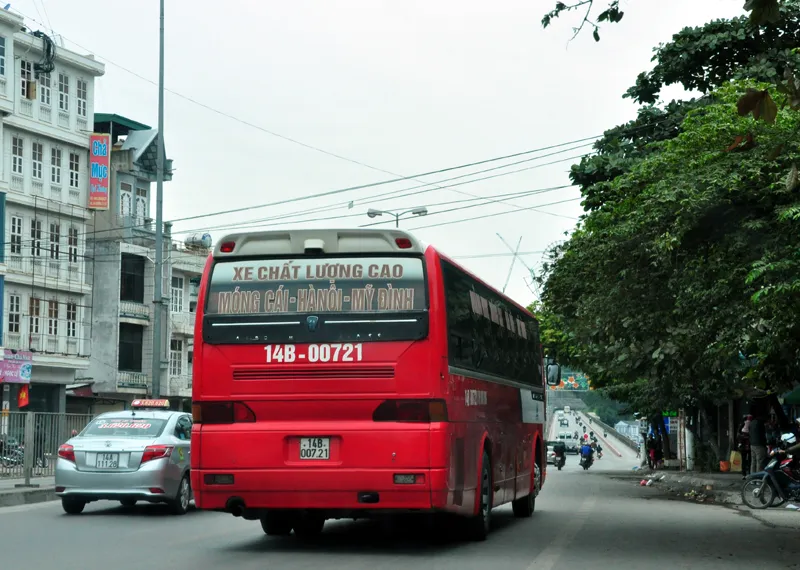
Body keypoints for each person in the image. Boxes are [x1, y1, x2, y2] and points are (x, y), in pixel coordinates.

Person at [738, 415, 751, 479]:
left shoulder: (741, 425)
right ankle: (749, 473)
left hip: (743, 446)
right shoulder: (751, 424)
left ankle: (744, 474)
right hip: (749, 445)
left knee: (744, 460)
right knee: (750, 460)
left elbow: (738, 435)